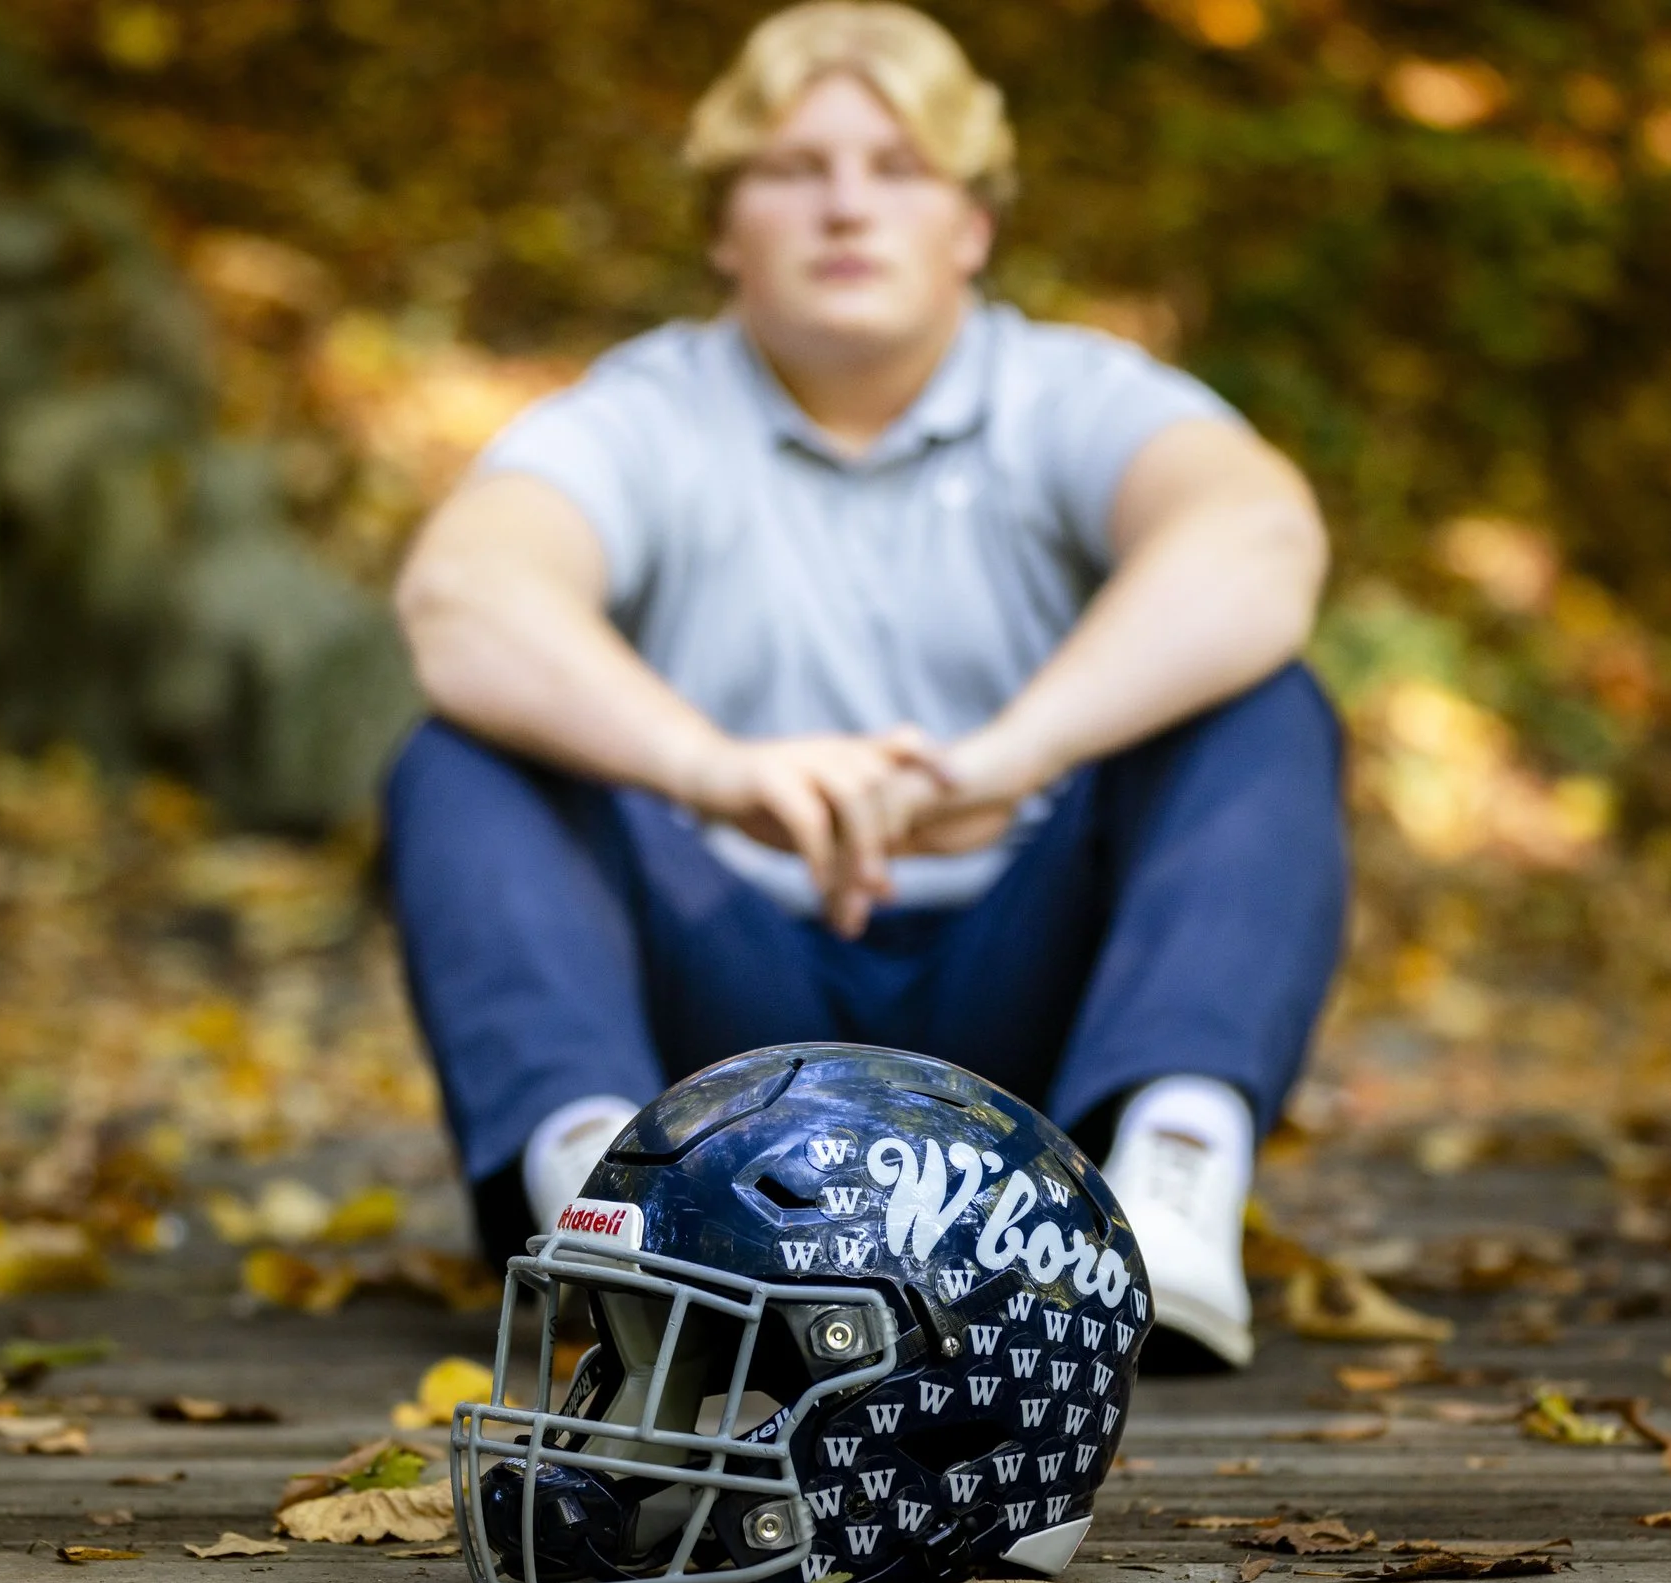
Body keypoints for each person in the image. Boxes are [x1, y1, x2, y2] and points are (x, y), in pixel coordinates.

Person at [385, 1, 1345, 1369]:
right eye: (792, 169)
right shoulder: (642, 412)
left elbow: (1258, 542)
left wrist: (1013, 756)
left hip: (1027, 1004)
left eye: (898, 169)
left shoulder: (1073, 393)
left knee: (1263, 703)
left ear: (972, 224)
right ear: (725, 224)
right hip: (721, 1025)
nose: (846, 206)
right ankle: (613, 1218)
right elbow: (464, 597)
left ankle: (1170, 1183)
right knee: (463, 754)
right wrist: (718, 771)